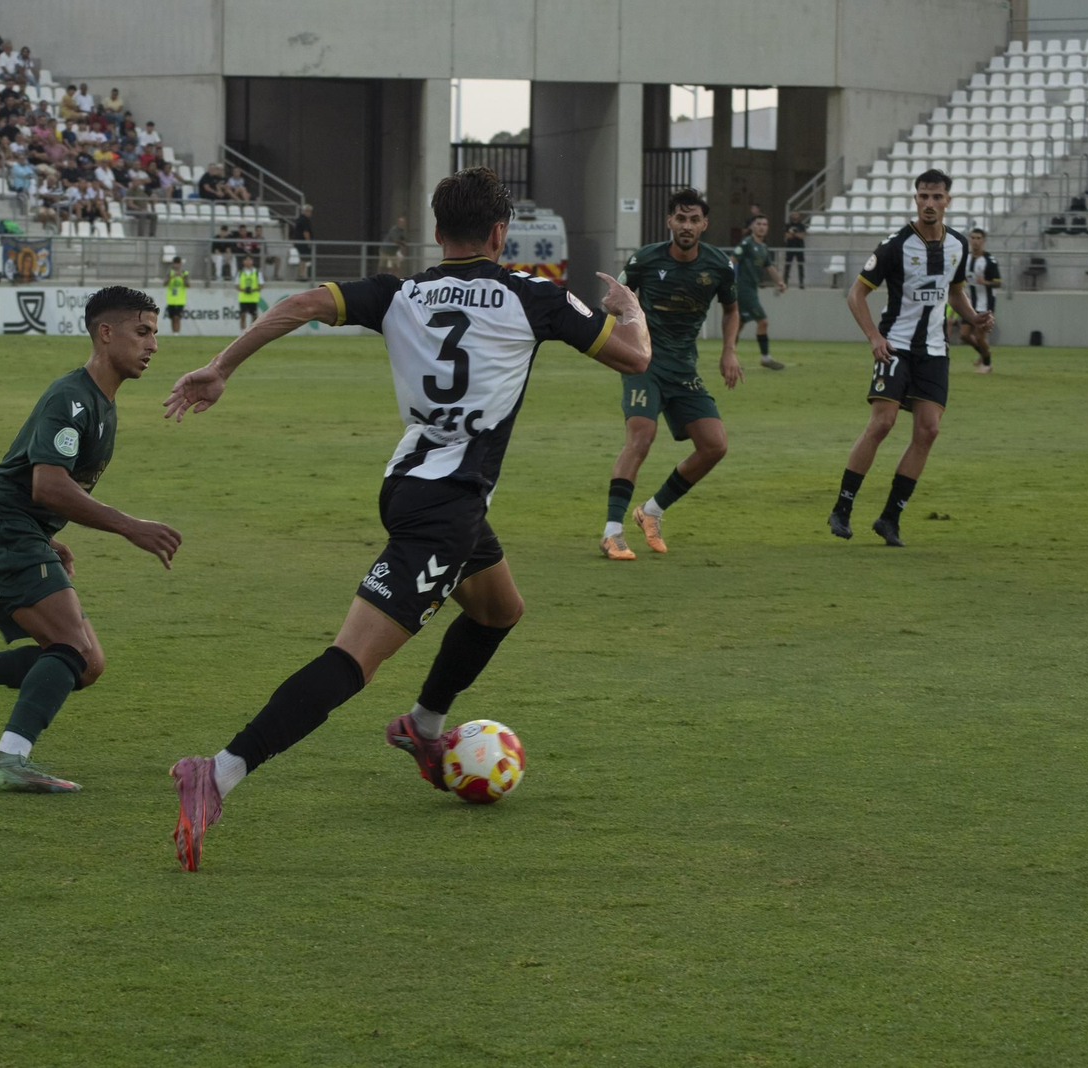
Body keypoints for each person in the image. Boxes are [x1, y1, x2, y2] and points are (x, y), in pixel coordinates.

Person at [160, 167, 650, 871]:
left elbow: (300, 303)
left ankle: (421, 727)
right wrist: (632, 310)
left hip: (412, 484)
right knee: (350, 661)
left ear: (437, 230)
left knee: (499, 609)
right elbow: (635, 357)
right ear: (499, 232)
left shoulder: (400, 292)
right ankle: (220, 771)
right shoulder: (532, 297)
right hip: (444, 508)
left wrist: (221, 366)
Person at [0, 287, 182, 791]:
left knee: (86, 664)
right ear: (106, 333)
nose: (152, 346)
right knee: (72, 649)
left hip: (13, 529)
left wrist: (45, 536)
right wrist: (130, 526)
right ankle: (6, 761)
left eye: (154, 334)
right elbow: (48, 484)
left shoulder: (101, 405)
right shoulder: (73, 397)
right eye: (142, 332)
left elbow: (43, 488)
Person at [827, 169, 993, 547]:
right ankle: (842, 507)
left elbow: (954, 292)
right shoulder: (895, 245)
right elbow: (856, 295)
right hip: (896, 347)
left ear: (948, 200)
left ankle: (890, 518)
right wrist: (874, 337)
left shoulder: (958, 245)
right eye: (923, 196)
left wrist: (974, 318)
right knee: (881, 424)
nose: (929, 204)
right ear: (915, 199)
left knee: (929, 430)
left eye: (936, 197)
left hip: (935, 351)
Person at [600, 188, 740, 562]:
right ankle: (612, 532)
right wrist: (616, 311)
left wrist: (729, 350)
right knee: (641, 437)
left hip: (683, 368)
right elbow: (614, 299)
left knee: (715, 445)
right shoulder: (646, 259)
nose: (687, 226)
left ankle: (652, 511)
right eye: (681, 218)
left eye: (694, 219)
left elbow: (731, 309)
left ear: (705, 224)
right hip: (643, 362)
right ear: (669, 222)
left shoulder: (718, 266)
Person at [733, 214, 787, 371]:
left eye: (765, 224)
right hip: (743, 290)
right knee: (763, 321)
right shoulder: (746, 243)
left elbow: (769, 266)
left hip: (752, 290)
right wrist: (725, 279)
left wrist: (780, 282)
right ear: (752, 227)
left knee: (739, 325)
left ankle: (729, 356)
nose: (762, 226)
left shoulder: (763, 247)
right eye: (759, 224)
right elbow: (732, 261)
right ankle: (765, 358)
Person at [963, 227, 1001, 373]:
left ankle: (987, 364)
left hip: (985, 302)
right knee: (964, 335)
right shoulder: (965, 258)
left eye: (979, 238)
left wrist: (985, 282)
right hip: (970, 302)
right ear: (970, 240)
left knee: (979, 336)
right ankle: (984, 351)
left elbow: (998, 282)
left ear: (983, 241)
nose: (975, 241)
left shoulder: (989, 260)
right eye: (973, 238)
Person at [236, 254, 261, 331]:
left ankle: (253, 331)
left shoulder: (257, 272)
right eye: (246, 260)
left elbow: (261, 285)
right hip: (243, 298)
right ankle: (242, 332)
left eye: (249, 260)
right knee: (243, 315)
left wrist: (252, 290)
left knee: (254, 315)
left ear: (252, 261)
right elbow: (237, 285)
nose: (248, 262)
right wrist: (244, 290)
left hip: (253, 298)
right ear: (243, 262)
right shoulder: (240, 272)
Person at [164, 256, 188, 334]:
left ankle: (177, 333)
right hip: (171, 299)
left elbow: (188, 285)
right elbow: (165, 283)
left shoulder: (184, 272)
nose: (176, 265)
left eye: (178, 263)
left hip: (180, 299)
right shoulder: (170, 272)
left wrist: (182, 277)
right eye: (175, 263)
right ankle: (174, 333)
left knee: (177, 317)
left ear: (180, 264)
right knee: (172, 318)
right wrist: (171, 277)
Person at [782, 211, 807, 288]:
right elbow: (787, 236)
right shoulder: (788, 225)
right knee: (787, 265)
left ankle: (801, 283)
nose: (795, 216)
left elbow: (802, 236)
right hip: (790, 248)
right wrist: (795, 234)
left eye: (796, 214)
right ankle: (785, 282)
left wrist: (793, 233)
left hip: (799, 248)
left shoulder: (801, 226)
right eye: (793, 214)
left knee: (800, 265)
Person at [290, 203, 313, 280]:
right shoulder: (305, 220)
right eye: (309, 211)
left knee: (302, 258)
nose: (310, 213)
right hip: (302, 242)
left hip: (297, 241)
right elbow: (306, 232)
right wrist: (309, 242)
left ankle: (302, 274)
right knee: (303, 258)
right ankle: (301, 275)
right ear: (305, 211)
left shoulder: (299, 219)